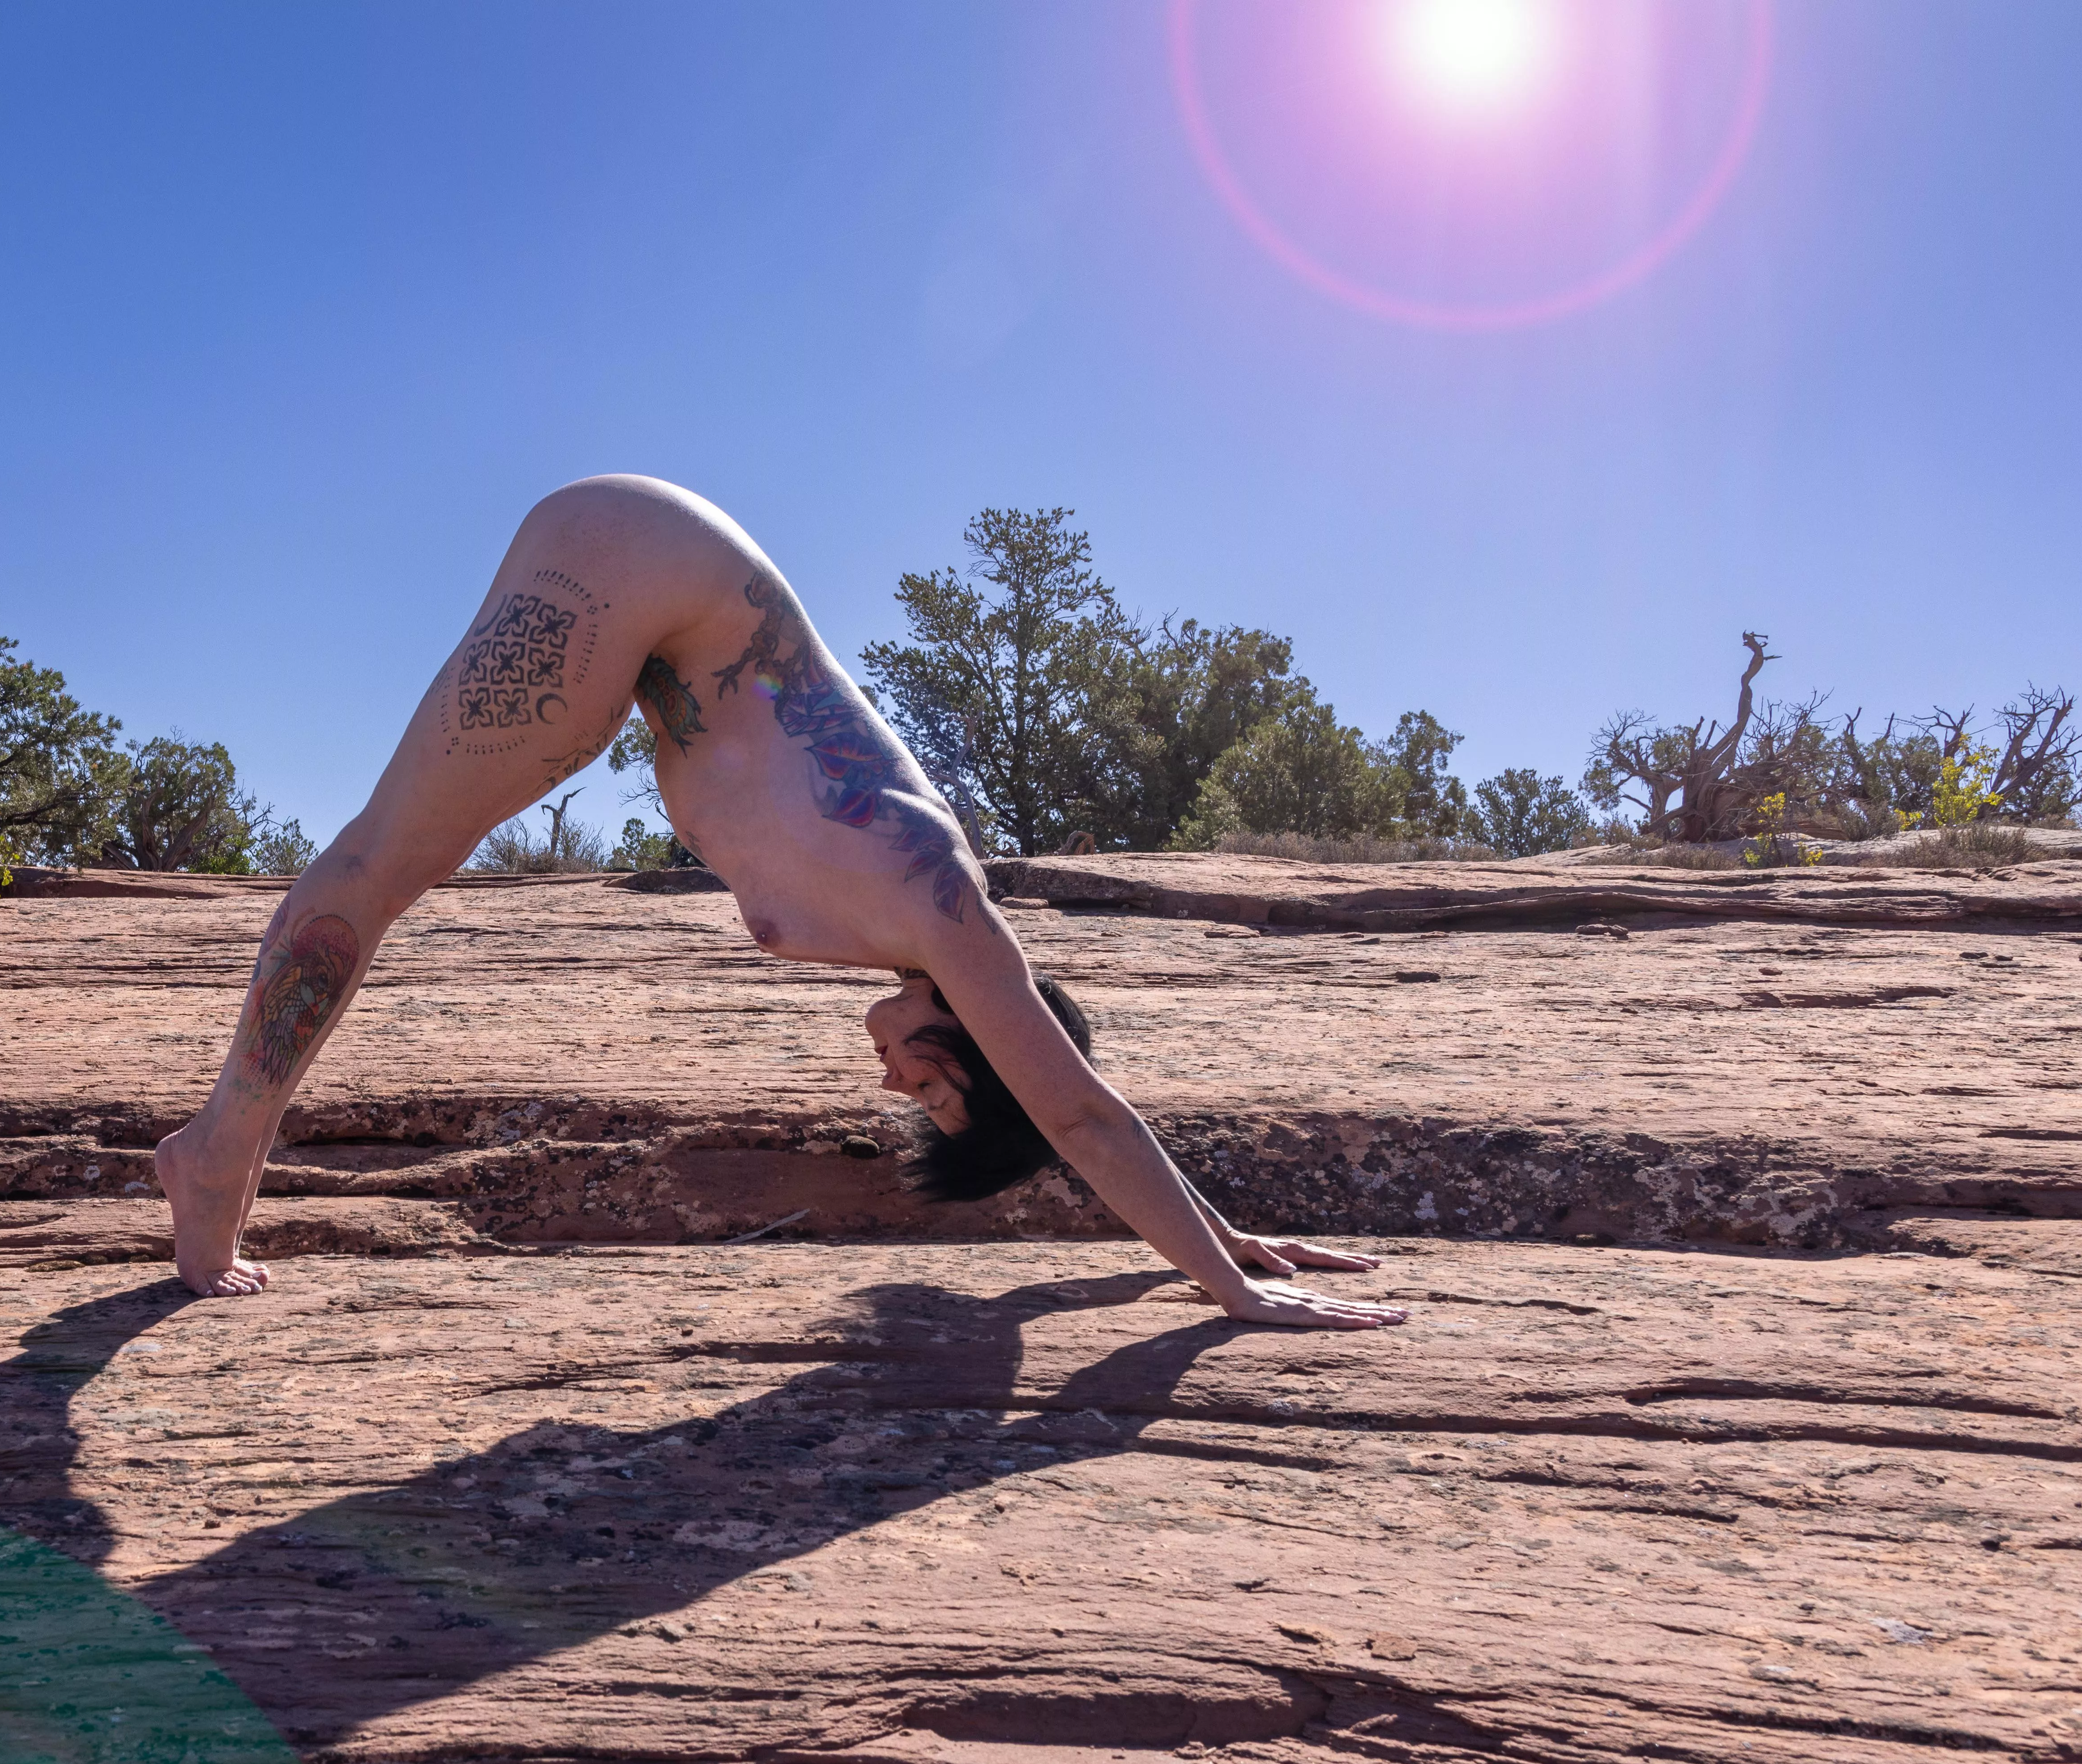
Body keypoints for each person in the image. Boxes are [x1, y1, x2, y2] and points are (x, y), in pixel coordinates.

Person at [154, 476, 1406, 1330]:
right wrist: (1229, 1289)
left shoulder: (916, 924)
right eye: (927, 1094)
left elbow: (1077, 1112)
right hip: (644, 568)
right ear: (972, 1064)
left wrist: (1221, 1233)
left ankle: (224, 1148)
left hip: (646, 575)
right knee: (376, 864)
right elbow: (1078, 1114)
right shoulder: (942, 907)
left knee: (385, 861)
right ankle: (220, 1155)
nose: (894, 1090)